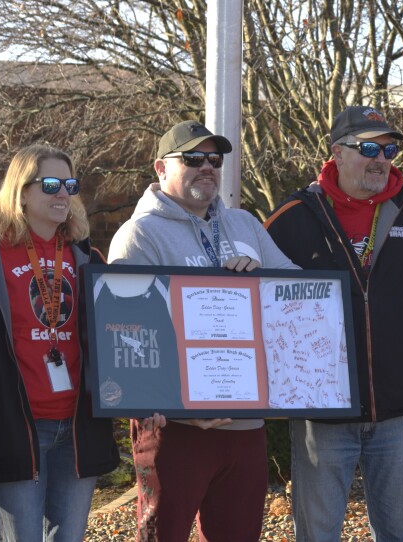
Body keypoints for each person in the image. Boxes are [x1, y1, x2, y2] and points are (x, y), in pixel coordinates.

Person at [264, 105, 403, 541]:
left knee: (400, 533)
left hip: (400, 410)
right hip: (322, 413)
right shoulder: (292, 217)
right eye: (368, 147)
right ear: (336, 151)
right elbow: (252, 297)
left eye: (390, 149)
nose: (381, 158)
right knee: (317, 534)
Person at [108, 119, 297, 542]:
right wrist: (163, 401)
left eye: (215, 158)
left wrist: (260, 277)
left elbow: (298, 294)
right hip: (178, 428)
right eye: (192, 158)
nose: (207, 166)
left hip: (245, 425)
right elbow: (126, 331)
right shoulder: (139, 235)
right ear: (160, 168)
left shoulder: (245, 225)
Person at [0, 145, 119, 542]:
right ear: (22, 191)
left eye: (69, 184)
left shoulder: (87, 256)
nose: (63, 193)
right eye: (50, 184)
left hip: (77, 427)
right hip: (15, 427)